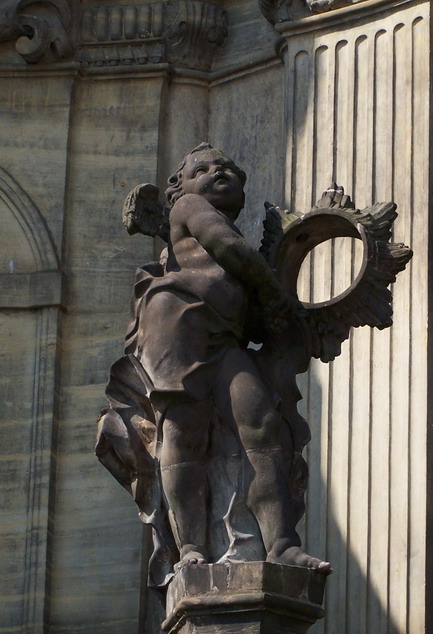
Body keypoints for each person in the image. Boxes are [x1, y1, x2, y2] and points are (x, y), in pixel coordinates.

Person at [122, 143, 331, 573]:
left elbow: (250, 319)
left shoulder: (235, 264)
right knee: (184, 433)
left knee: (263, 422)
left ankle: (282, 544)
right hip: (177, 325)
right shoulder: (191, 208)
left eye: (227, 168)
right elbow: (228, 246)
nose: (219, 172)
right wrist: (274, 292)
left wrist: (272, 314)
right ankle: (191, 548)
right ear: (180, 188)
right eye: (203, 169)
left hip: (222, 340)